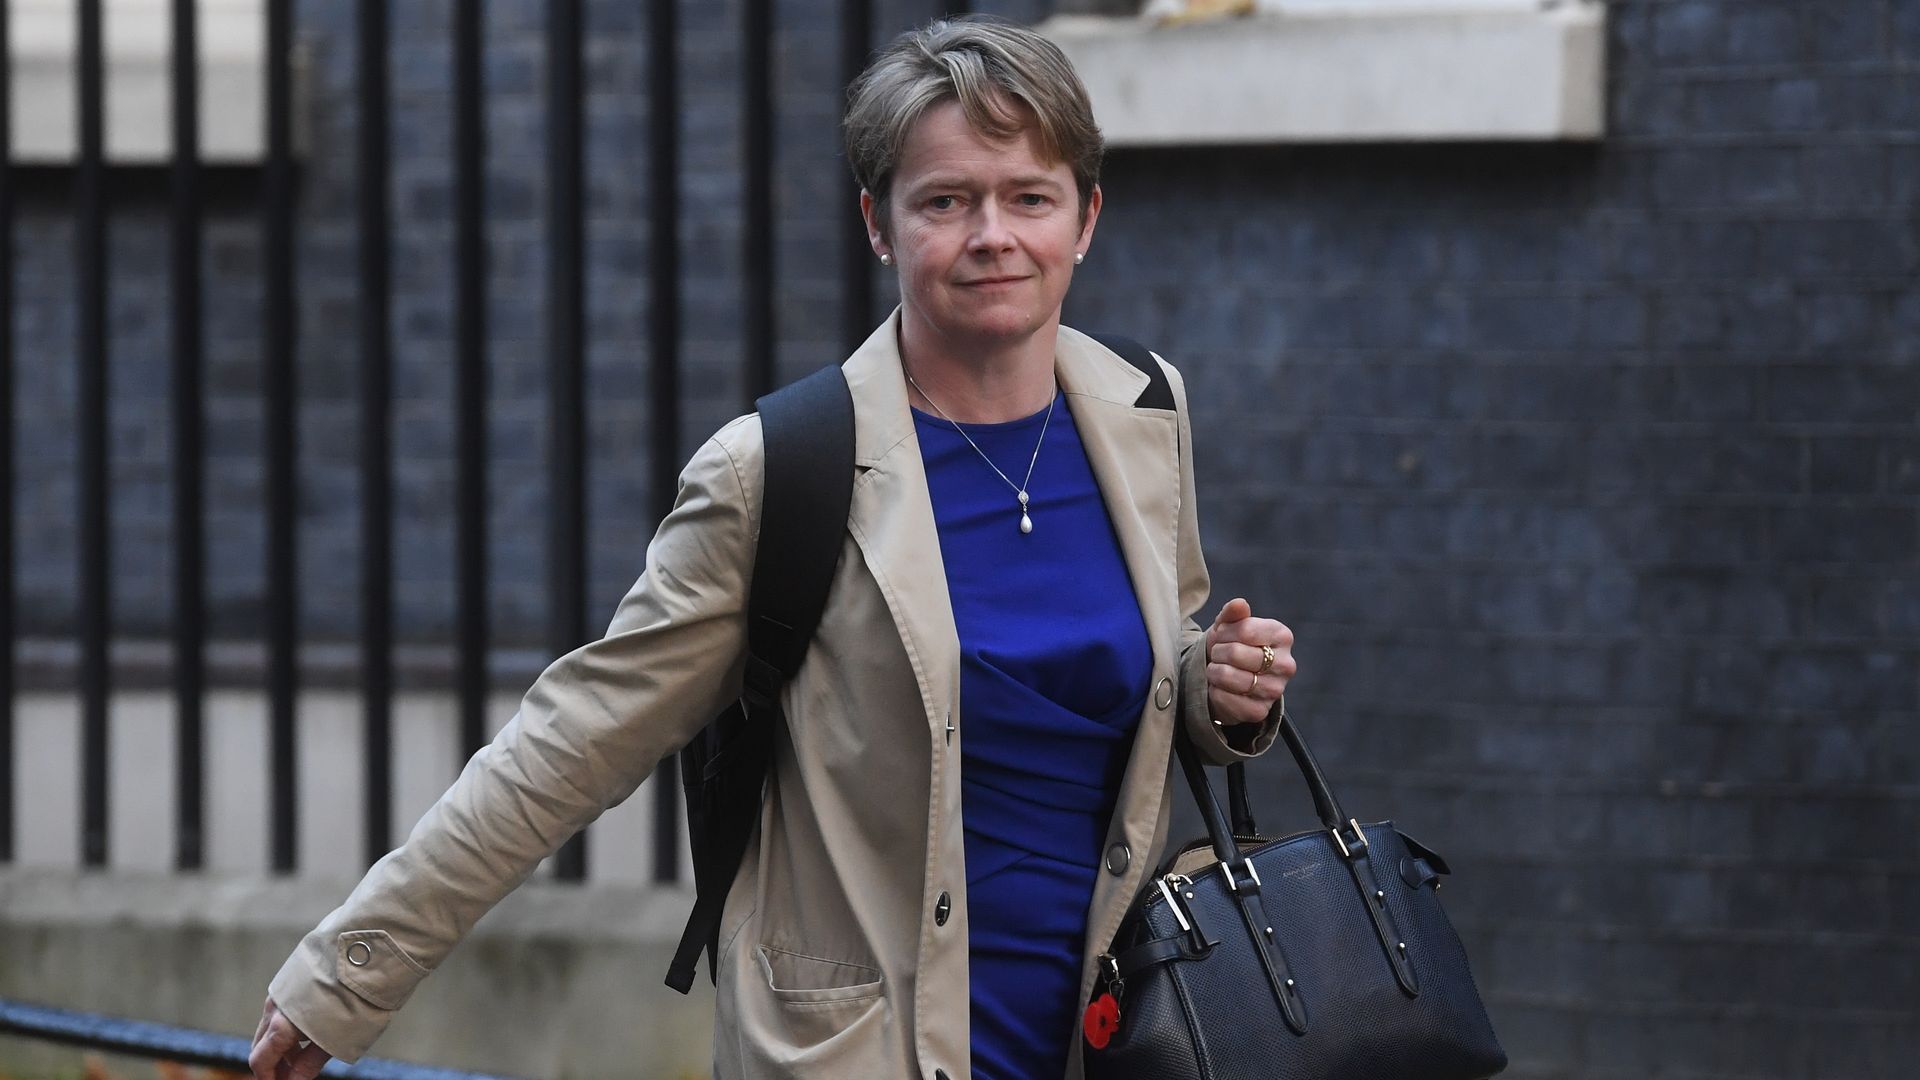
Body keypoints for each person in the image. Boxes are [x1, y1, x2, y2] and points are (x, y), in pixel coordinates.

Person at [249, 15, 1297, 1080]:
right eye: (945, 200)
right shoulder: (782, 469)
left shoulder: (1146, 409)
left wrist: (1216, 689)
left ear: (1084, 219)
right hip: (866, 1055)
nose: (993, 234)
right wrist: (351, 971)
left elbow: (1161, 670)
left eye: (1029, 196)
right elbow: (574, 736)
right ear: (879, 225)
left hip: (1108, 1041)